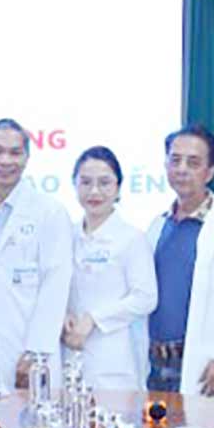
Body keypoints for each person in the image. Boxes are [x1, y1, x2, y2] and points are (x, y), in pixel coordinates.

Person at [143, 125, 214, 399]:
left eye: (193, 162)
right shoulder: (157, 224)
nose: (181, 169)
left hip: (198, 362)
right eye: (175, 160)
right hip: (153, 360)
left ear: (210, 171)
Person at [0, 119, 73, 389]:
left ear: (27, 157)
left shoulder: (49, 212)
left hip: (31, 351)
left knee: (33, 425)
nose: (5, 161)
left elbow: (56, 285)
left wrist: (37, 351)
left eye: (15, 153)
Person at [62, 146, 156, 391]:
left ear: (118, 188)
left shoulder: (131, 238)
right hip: (69, 355)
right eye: (85, 182)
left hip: (115, 358)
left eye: (104, 183)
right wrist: (61, 314)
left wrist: (94, 318)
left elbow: (145, 298)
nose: (95, 191)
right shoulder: (66, 235)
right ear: (74, 185)